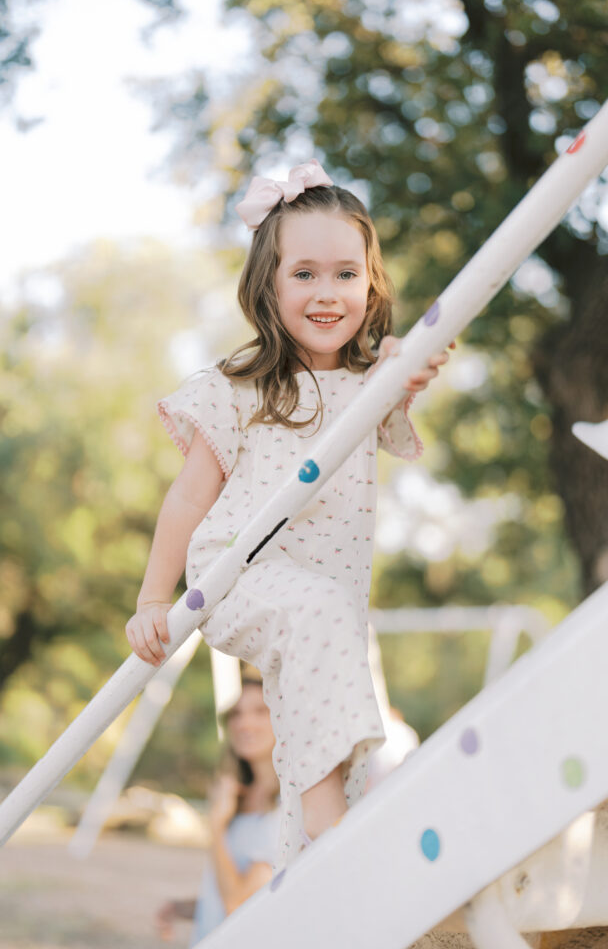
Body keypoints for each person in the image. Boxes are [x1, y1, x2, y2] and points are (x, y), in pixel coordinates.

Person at [126, 158, 451, 872]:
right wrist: (156, 597)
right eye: (303, 274)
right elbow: (186, 498)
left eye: (344, 274)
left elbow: (404, 377)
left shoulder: (370, 387)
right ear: (267, 288)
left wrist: (411, 365)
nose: (326, 292)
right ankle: (325, 826)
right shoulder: (237, 387)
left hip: (327, 600)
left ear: (370, 285)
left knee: (329, 666)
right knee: (317, 617)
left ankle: (310, 858)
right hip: (237, 578)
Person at [156, 677, 280, 944]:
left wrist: (216, 824)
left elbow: (238, 905)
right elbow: (234, 889)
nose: (244, 723)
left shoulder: (286, 808)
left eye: (261, 711)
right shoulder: (237, 799)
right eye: (236, 714)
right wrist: (186, 908)